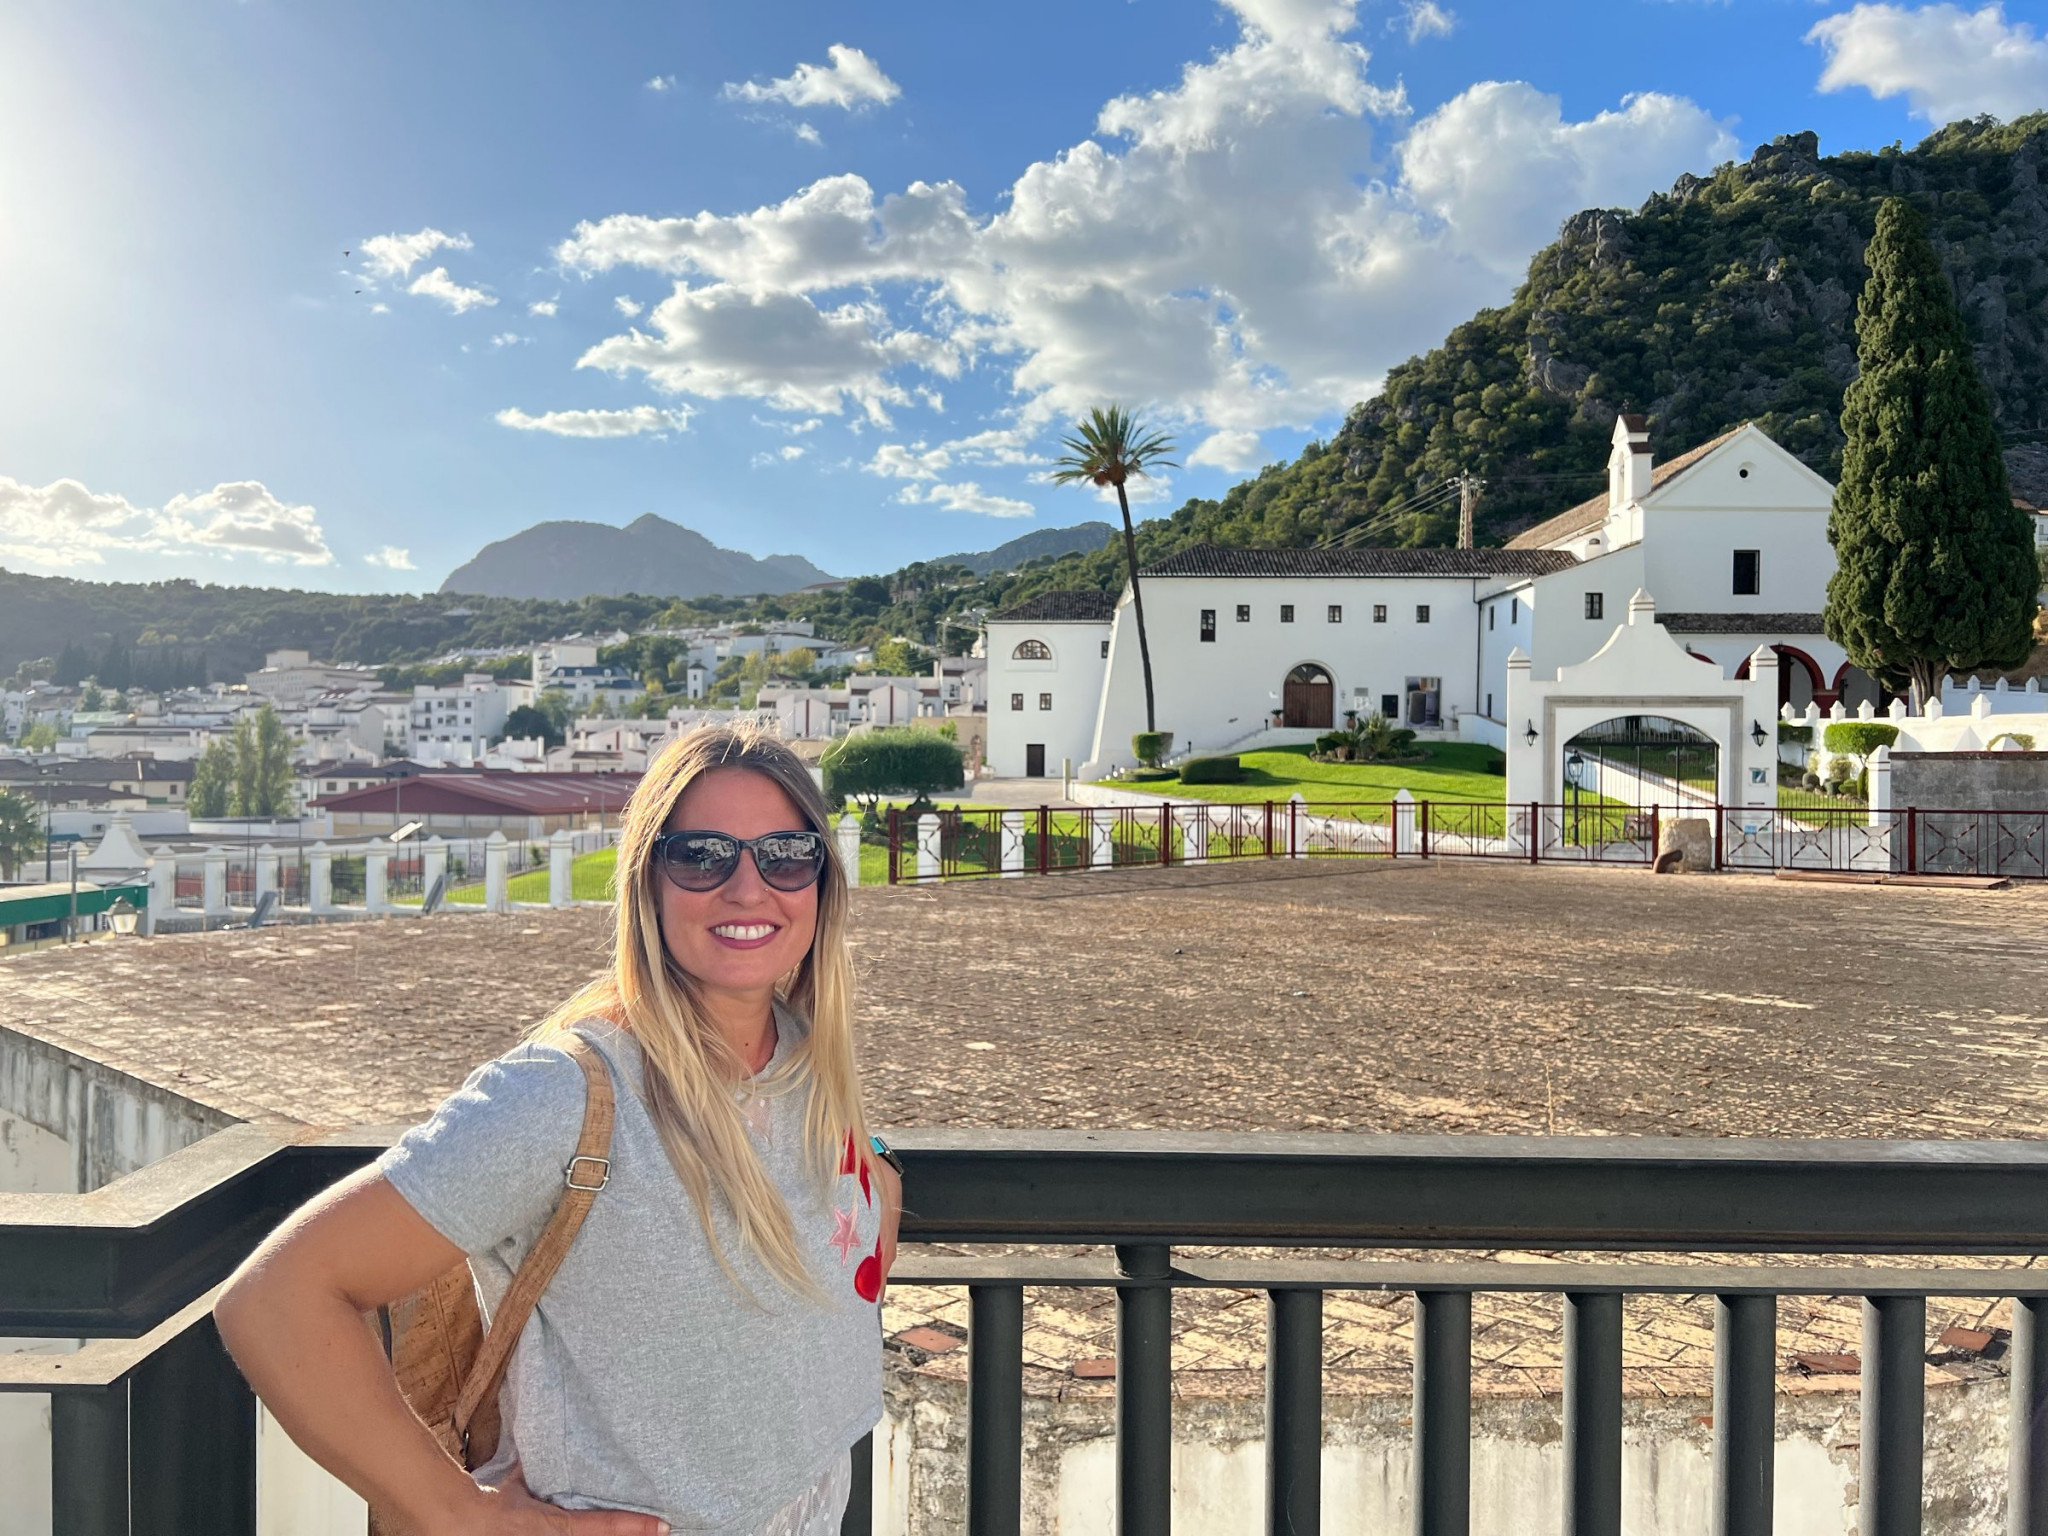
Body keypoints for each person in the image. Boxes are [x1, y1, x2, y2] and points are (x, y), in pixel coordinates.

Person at [217, 726, 901, 1535]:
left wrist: (872, 1174)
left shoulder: (802, 1055)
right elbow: (276, 1300)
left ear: (822, 883)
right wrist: (454, 1515)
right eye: (702, 856)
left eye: (785, 855)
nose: (749, 889)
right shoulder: (564, 1095)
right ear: (647, 884)